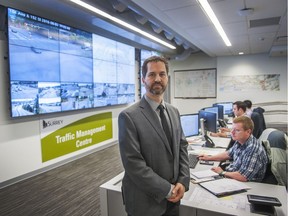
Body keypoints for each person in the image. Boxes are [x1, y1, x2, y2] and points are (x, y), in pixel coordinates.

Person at [118, 56, 190, 216]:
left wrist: (183, 181)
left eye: (162, 74)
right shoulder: (129, 116)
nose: (157, 79)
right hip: (145, 204)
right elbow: (133, 164)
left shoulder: (173, 111)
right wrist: (167, 189)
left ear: (167, 78)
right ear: (143, 79)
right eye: (151, 74)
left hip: (174, 199)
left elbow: (182, 147)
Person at [198, 116, 269, 182]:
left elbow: (244, 177)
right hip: (233, 173)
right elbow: (228, 154)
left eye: (237, 130)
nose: (232, 132)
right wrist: (209, 158)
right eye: (232, 129)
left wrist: (222, 172)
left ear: (248, 132)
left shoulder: (253, 150)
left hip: (244, 182)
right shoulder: (240, 140)